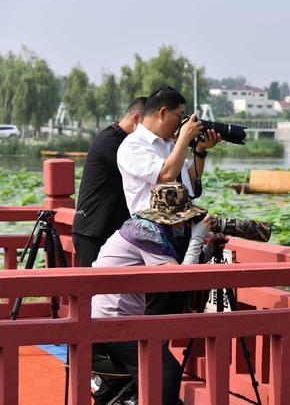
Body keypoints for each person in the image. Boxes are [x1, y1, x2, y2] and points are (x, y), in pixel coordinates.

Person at [91, 182, 212, 405]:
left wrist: (208, 248)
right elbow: (179, 280)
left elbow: (181, 268)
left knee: (135, 377)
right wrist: (196, 238)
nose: (183, 225)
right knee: (166, 371)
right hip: (112, 321)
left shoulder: (145, 227)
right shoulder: (145, 232)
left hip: (117, 319)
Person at [117, 86, 221, 215]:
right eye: (180, 115)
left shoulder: (168, 143)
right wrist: (185, 136)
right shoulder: (133, 145)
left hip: (180, 224)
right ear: (163, 113)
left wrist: (200, 151)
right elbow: (166, 175)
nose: (181, 122)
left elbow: (189, 182)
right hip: (151, 228)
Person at [72, 97, 147, 267]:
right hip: (92, 230)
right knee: (95, 289)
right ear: (136, 119)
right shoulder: (110, 141)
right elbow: (145, 174)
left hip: (109, 229)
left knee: (113, 290)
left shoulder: (124, 142)